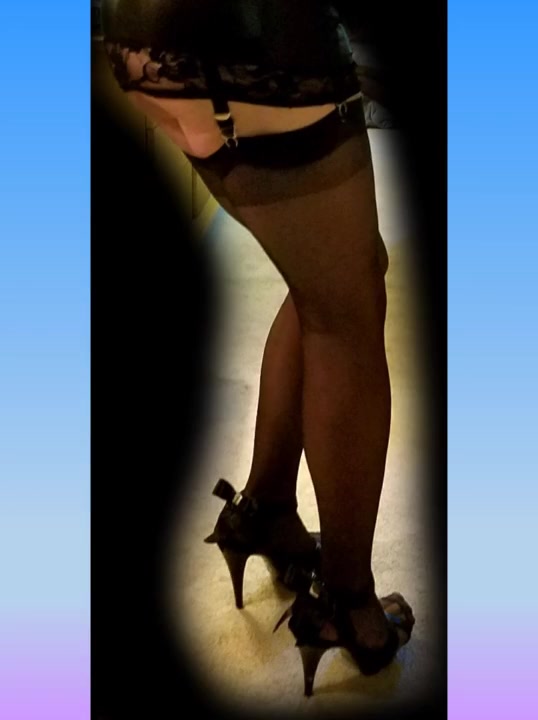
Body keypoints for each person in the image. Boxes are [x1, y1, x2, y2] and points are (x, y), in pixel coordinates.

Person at [101, 0, 415, 697]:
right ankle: (348, 605)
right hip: (256, 48)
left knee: (334, 280)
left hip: (145, 43)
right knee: (347, 317)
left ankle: (266, 511)